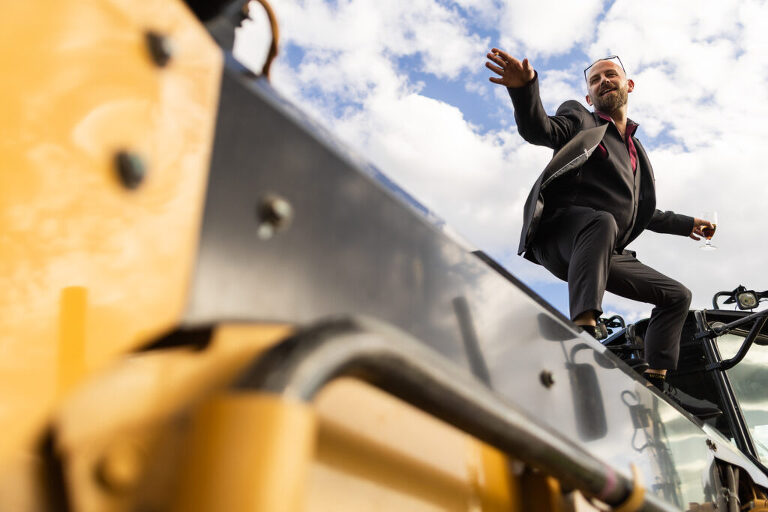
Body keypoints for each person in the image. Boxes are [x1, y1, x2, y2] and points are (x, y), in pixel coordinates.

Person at [485, 49, 719, 418]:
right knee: (602, 221)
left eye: (610, 75)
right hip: (563, 237)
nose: (603, 81)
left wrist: (688, 224)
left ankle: (655, 381)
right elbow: (540, 129)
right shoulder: (581, 119)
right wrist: (524, 89)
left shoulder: (636, 151)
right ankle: (583, 330)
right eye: (595, 80)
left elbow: (641, 212)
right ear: (589, 95)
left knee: (677, 296)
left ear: (629, 85)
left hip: (604, 250)